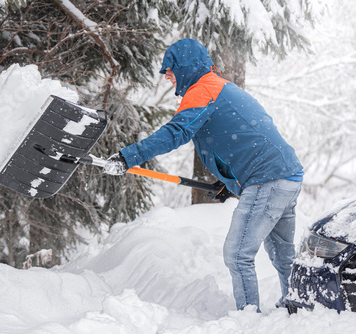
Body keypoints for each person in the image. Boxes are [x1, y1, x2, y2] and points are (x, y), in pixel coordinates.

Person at [103, 38, 303, 311]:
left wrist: (129, 156)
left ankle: (249, 320)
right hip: (286, 175)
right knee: (283, 255)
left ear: (185, 66)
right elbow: (244, 140)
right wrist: (230, 183)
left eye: (170, 71)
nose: (167, 78)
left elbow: (176, 133)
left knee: (237, 254)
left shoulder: (203, 89)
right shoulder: (217, 87)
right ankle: (297, 307)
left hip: (267, 179)